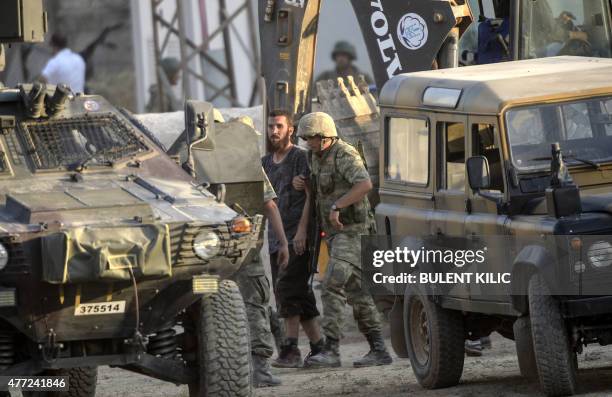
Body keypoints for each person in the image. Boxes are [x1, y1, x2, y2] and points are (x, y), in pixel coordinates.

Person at [294, 112, 392, 368]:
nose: (307, 142)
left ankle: (331, 349)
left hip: (354, 231)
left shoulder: (344, 154)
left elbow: (364, 185)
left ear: (325, 137)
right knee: (358, 293)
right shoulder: (314, 157)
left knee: (332, 284)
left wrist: (337, 205)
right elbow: (316, 192)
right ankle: (379, 349)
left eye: (311, 138)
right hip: (335, 235)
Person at [262, 110, 325, 368]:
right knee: (299, 293)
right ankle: (320, 348)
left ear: (290, 129)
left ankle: (290, 350)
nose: (274, 131)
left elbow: (311, 197)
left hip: (298, 237)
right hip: (277, 239)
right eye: (270, 126)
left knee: (287, 289)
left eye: (279, 126)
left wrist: (301, 232)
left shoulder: (301, 158)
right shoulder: (265, 163)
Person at [232, 170, 289, 388]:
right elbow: (269, 205)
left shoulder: (192, 158)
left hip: (205, 248)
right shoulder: (244, 163)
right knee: (255, 306)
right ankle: (260, 370)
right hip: (245, 252)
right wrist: (283, 243)